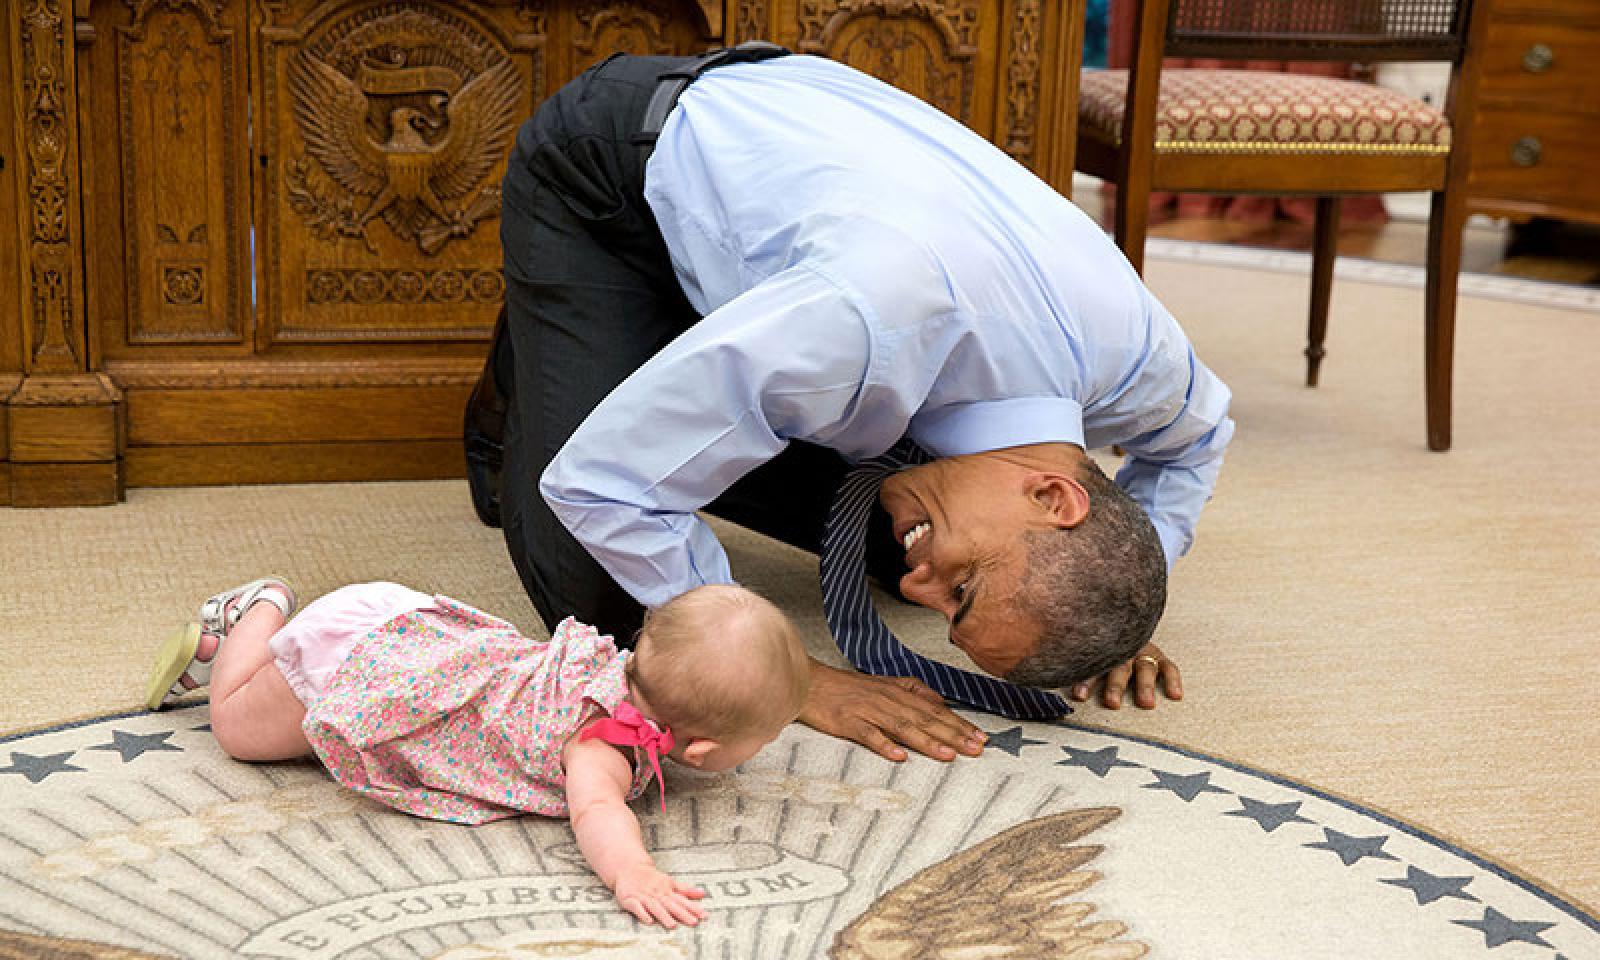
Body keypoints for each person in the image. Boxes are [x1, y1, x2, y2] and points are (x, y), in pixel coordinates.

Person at [464, 47, 1234, 765]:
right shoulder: (866, 324)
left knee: (886, 544)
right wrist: (788, 675)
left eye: (948, 612)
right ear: (1054, 497)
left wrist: (1110, 609)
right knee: (608, 601)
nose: (920, 595)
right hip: (610, 175)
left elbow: (1198, 442)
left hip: (803, 236)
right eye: (961, 592)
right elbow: (602, 483)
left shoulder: (1142, 361)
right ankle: (560, 338)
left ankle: (635, 356)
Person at [143, 577, 809, 928]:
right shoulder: (601, 742)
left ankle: (257, 638)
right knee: (234, 728)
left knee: (256, 716)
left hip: (412, 629)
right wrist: (633, 872)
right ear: (703, 749)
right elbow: (597, 812)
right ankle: (257, 611)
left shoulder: (609, 664)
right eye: (769, 735)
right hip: (360, 668)